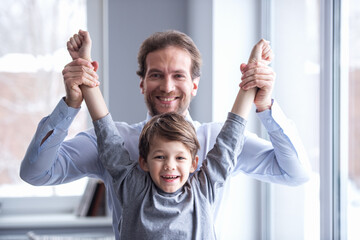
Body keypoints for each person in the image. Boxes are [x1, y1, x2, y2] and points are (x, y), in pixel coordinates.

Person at [20, 30, 310, 238]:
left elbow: (295, 173)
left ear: (194, 84)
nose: (168, 87)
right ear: (143, 83)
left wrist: (265, 106)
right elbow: (35, 173)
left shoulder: (216, 145)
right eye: (156, 74)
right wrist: (72, 102)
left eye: (179, 75)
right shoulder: (115, 144)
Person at [78, 28, 257, 238]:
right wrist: (84, 67)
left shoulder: (203, 189)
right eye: (160, 156)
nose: (170, 165)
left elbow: (231, 136)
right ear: (143, 162)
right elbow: (105, 130)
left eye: (180, 157)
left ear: (194, 163)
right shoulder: (132, 187)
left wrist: (252, 73)